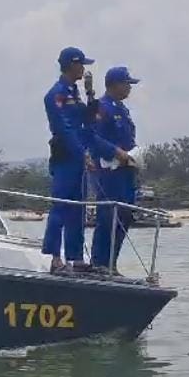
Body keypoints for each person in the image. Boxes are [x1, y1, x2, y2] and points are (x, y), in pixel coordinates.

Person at [41, 46, 126, 273]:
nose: (84, 69)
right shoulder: (56, 95)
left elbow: (87, 120)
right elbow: (65, 129)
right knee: (61, 206)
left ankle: (76, 258)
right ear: (72, 65)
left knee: (77, 209)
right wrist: (83, 153)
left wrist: (90, 93)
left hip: (79, 157)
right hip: (65, 157)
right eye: (82, 65)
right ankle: (54, 257)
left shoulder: (73, 93)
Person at [91, 66, 141, 273]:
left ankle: (112, 263)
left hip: (126, 172)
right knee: (108, 217)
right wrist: (115, 152)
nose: (129, 88)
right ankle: (99, 264)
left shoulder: (122, 110)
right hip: (109, 172)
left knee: (125, 216)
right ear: (115, 85)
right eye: (127, 84)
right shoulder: (102, 108)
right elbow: (93, 138)